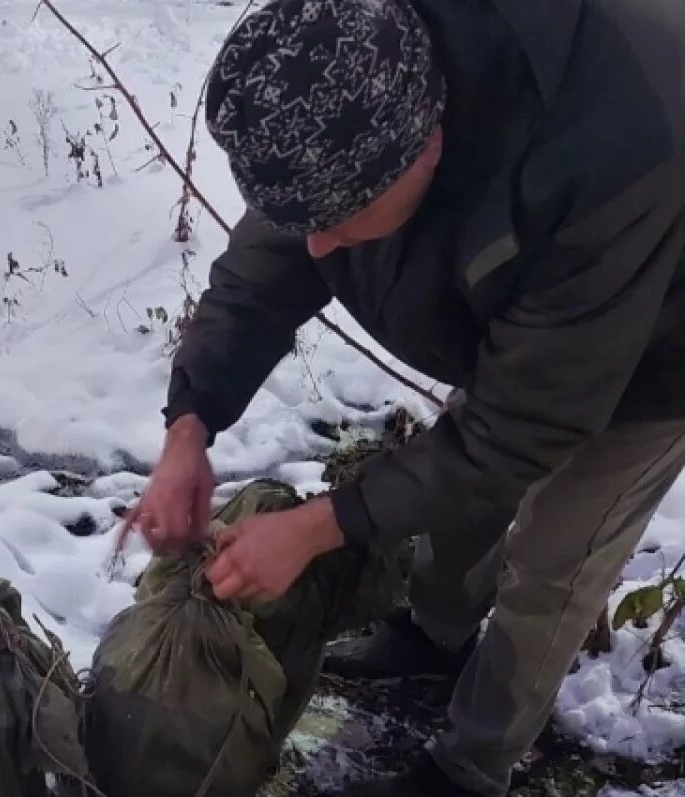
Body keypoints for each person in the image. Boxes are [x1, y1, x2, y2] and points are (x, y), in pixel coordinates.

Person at [122, 0, 685, 794]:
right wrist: (190, 424)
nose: (315, 245)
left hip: (665, 331)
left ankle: (470, 766)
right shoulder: (347, 81)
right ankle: (436, 634)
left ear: (426, 149)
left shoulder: (611, 149)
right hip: (542, 300)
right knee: (460, 481)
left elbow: (519, 429)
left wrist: (320, 528)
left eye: (338, 220)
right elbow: (265, 269)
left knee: (557, 554)